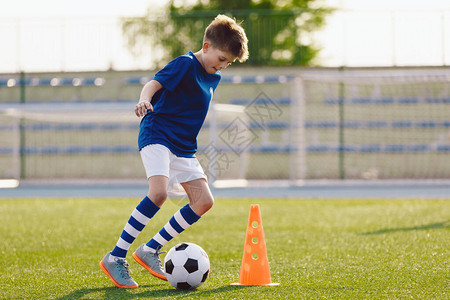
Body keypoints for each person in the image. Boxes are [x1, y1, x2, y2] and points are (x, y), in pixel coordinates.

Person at [99, 14, 249, 289]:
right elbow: (153, 84)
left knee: (204, 201)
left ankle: (150, 249)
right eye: (222, 58)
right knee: (158, 193)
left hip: (183, 147)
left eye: (228, 63)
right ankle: (115, 256)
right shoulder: (185, 63)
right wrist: (144, 100)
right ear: (206, 46)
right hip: (157, 132)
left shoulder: (213, 78)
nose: (223, 66)